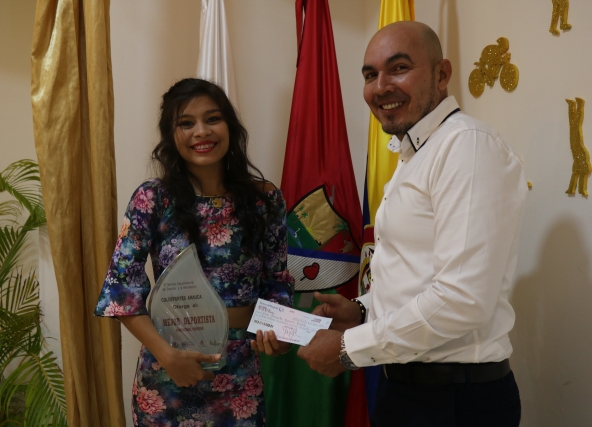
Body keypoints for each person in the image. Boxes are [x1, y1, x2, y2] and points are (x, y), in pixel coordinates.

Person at [297, 21, 527, 427]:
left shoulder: (467, 146)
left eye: (399, 68)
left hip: (455, 401)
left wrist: (349, 347)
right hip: (403, 390)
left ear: (442, 74)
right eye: (370, 75)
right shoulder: (415, 154)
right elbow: (417, 276)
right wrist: (363, 310)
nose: (380, 86)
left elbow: (462, 300)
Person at [94, 78, 294, 427]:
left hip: (239, 375)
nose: (201, 131)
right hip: (169, 369)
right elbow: (121, 289)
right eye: (186, 123)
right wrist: (167, 355)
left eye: (212, 119)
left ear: (230, 126)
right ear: (171, 136)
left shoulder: (264, 199)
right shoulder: (153, 198)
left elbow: (276, 282)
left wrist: (279, 333)